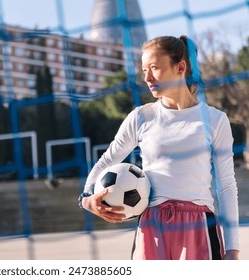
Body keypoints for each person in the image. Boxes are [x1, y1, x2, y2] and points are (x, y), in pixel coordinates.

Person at [78, 35, 240, 260]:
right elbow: (108, 160)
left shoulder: (214, 119)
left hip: (199, 227)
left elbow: (226, 187)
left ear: (180, 67)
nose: (147, 77)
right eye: (144, 70)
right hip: (151, 228)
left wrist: (232, 249)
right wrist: (87, 198)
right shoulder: (141, 117)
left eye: (154, 68)